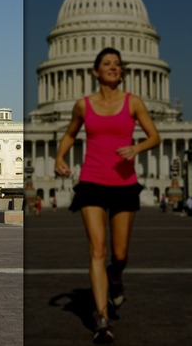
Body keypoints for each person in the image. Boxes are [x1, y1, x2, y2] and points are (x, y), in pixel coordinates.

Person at [55, 48, 160, 344]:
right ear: (95, 71)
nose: (113, 68)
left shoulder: (134, 103)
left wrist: (136, 148)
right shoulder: (83, 105)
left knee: (121, 254)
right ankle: (102, 319)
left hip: (124, 182)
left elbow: (155, 136)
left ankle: (116, 277)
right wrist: (59, 157)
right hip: (92, 180)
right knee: (97, 250)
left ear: (122, 71)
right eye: (107, 64)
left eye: (117, 64)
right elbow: (71, 133)